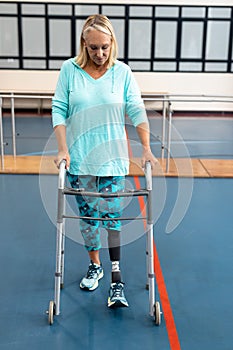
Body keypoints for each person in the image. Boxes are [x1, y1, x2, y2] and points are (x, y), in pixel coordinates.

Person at [52, 14, 157, 308]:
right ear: (84, 44)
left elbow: (136, 109)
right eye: (94, 47)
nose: (100, 54)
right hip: (80, 159)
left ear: (113, 44)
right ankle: (95, 265)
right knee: (87, 220)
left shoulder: (122, 73)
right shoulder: (69, 71)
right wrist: (62, 149)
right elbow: (58, 109)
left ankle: (116, 279)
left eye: (105, 47)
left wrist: (146, 148)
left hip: (111, 161)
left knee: (112, 218)